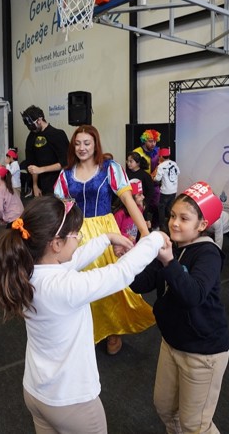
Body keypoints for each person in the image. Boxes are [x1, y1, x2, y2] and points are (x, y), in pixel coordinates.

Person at [0, 196, 169, 434]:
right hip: (71, 403)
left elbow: (71, 261)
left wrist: (106, 238)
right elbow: (121, 272)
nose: (80, 238)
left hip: (35, 392)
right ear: (56, 244)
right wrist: (155, 238)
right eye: (76, 235)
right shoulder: (63, 287)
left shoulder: (27, 271)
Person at [130, 182, 229, 434]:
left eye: (184, 218)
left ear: (202, 224)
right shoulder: (171, 246)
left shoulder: (208, 254)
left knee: (195, 425)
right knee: (165, 408)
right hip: (172, 343)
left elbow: (192, 295)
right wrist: (128, 259)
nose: (174, 223)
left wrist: (169, 262)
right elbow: (141, 284)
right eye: (173, 216)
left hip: (203, 352)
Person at [54, 125, 155, 355]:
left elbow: (129, 201)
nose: (82, 148)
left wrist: (146, 235)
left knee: (110, 284)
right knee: (78, 287)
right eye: (77, 143)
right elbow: (60, 210)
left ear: (95, 144)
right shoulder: (65, 175)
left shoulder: (110, 168)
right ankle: (85, 332)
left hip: (106, 233)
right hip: (76, 235)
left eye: (87, 143)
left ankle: (113, 330)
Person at [22, 105, 69, 197]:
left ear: (40, 119)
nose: (31, 129)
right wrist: (35, 185)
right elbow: (32, 164)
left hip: (57, 185)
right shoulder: (31, 137)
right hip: (40, 186)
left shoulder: (58, 135)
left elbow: (65, 163)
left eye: (32, 125)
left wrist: (41, 169)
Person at [133, 129, 162, 228]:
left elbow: (161, 165)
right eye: (150, 141)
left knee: (156, 205)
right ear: (144, 141)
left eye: (155, 141)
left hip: (154, 183)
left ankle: (155, 225)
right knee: (142, 205)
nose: (153, 144)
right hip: (142, 183)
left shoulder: (158, 152)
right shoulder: (137, 152)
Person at [125, 152, 156, 231]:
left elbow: (150, 191)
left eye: (131, 161)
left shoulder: (145, 175)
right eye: (127, 161)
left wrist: (145, 203)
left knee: (141, 224)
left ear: (138, 163)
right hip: (129, 203)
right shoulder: (125, 174)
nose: (128, 163)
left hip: (141, 204)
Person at [113, 179, 147, 244]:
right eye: (139, 195)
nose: (143, 197)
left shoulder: (140, 209)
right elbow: (114, 232)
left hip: (132, 245)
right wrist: (126, 236)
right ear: (131, 198)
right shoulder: (119, 214)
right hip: (121, 245)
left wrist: (144, 223)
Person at [0, 163, 23, 227]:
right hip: (20, 216)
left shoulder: (0, 190)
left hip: (12, 219)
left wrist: (0, 218)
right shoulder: (9, 186)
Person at [154, 147, 179, 226]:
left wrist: (153, 177)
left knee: (161, 208)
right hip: (174, 190)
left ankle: (162, 225)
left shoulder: (161, 166)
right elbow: (178, 172)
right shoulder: (174, 163)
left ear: (161, 157)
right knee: (170, 208)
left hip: (165, 191)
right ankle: (170, 223)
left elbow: (157, 179)